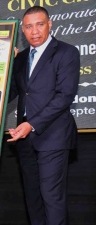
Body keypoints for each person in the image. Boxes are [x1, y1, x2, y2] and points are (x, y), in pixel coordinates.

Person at [7, 6, 80, 225]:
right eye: (28, 26)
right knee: (33, 198)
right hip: (25, 140)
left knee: (51, 197)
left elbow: (64, 96)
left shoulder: (67, 52)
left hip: (53, 137)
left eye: (40, 24)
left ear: (50, 24)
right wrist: (4, 64)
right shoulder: (20, 59)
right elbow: (7, 94)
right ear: (23, 29)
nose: (35, 31)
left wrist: (32, 124)